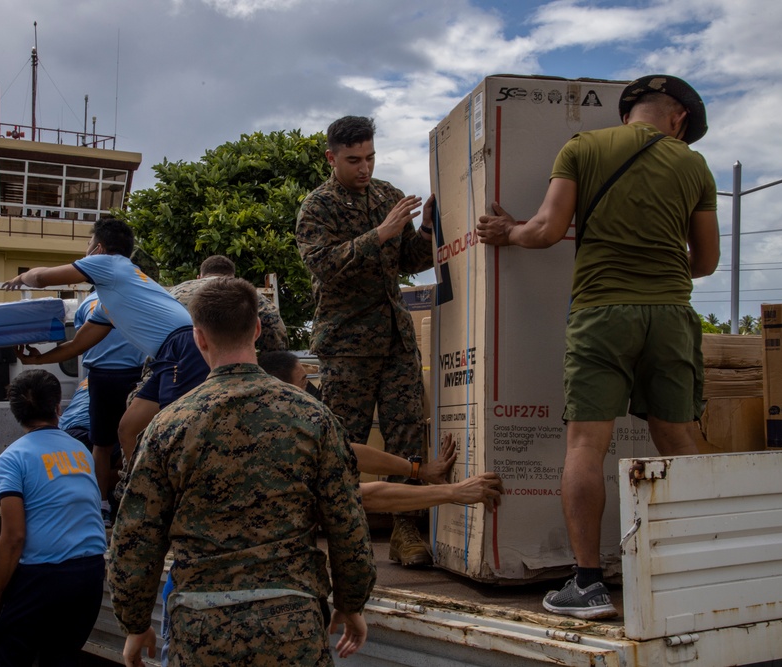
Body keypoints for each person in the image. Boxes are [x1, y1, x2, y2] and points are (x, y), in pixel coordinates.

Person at [475, 74, 720, 620]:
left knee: (587, 445)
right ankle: (701, 568)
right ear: (679, 117)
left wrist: (505, 231)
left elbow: (545, 229)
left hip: (602, 310)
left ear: (630, 109)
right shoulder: (693, 166)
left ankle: (585, 585)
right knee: (676, 436)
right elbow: (704, 263)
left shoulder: (584, 147)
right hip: (671, 315)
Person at [109, 277, 376, 667]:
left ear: (199, 338)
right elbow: (347, 522)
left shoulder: (169, 426)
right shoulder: (313, 417)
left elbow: (135, 536)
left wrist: (135, 624)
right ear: (256, 329)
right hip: (292, 625)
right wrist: (351, 604)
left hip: (200, 630)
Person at [296, 115, 436, 567]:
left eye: (370, 157)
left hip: (395, 337)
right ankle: (346, 535)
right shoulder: (316, 206)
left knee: (406, 431)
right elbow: (322, 264)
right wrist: (381, 234)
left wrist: (429, 229)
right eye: (354, 159)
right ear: (331, 158)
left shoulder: (388, 196)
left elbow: (410, 259)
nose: (365, 168)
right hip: (346, 342)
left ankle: (406, 530)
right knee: (344, 442)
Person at [5, 218, 209, 471]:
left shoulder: (110, 263)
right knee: (128, 429)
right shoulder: (111, 299)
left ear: (98, 249)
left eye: (88, 244)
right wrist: (36, 359)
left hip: (183, 347)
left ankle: (177, 494)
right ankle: (140, 492)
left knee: (174, 432)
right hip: (169, 355)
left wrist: (22, 277)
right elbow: (77, 346)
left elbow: (42, 278)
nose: (86, 251)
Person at [0, 370, 105, 666]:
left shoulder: (12, 458)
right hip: (91, 573)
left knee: (7, 654)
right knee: (61, 656)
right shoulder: (81, 451)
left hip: (44, 576)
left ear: (16, 414)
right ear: (58, 408)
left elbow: (14, 536)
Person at [256, 350, 504, 513]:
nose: (309, 390)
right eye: (302, 382)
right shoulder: (277, 445)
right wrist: (454, 491)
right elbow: (364, 497)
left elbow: (348, 453)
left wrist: (419, 470)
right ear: (280, 389)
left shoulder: (266, 423)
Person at [73, 288, 148, 525]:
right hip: (133, 376)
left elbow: (81, 338)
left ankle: (102, 505)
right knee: (138, 441)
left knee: (102, 443)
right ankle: (136, 502)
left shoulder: (89, 302)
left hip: (101, 375)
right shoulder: (139, 296)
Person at [170, 255, 289, 352]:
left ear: (199, 277)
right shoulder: (245, 292)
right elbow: (275, 326)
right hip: (231, 365)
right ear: (233, 277)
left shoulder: (175, 292)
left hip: (176, 367)